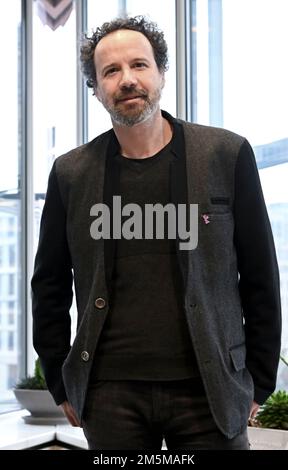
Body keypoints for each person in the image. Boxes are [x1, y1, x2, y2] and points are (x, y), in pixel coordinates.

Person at [32, 16, 281, 450]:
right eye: (111, 71)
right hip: (110, 395)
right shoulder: (70, 174)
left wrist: (259, 380)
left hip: (209, 389)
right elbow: (49, 285)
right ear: (96, 88)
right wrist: (58, 377)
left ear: (160, 73)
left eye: (139, 65)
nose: (127, 80)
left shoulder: (226, 154)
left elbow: (261, 275)